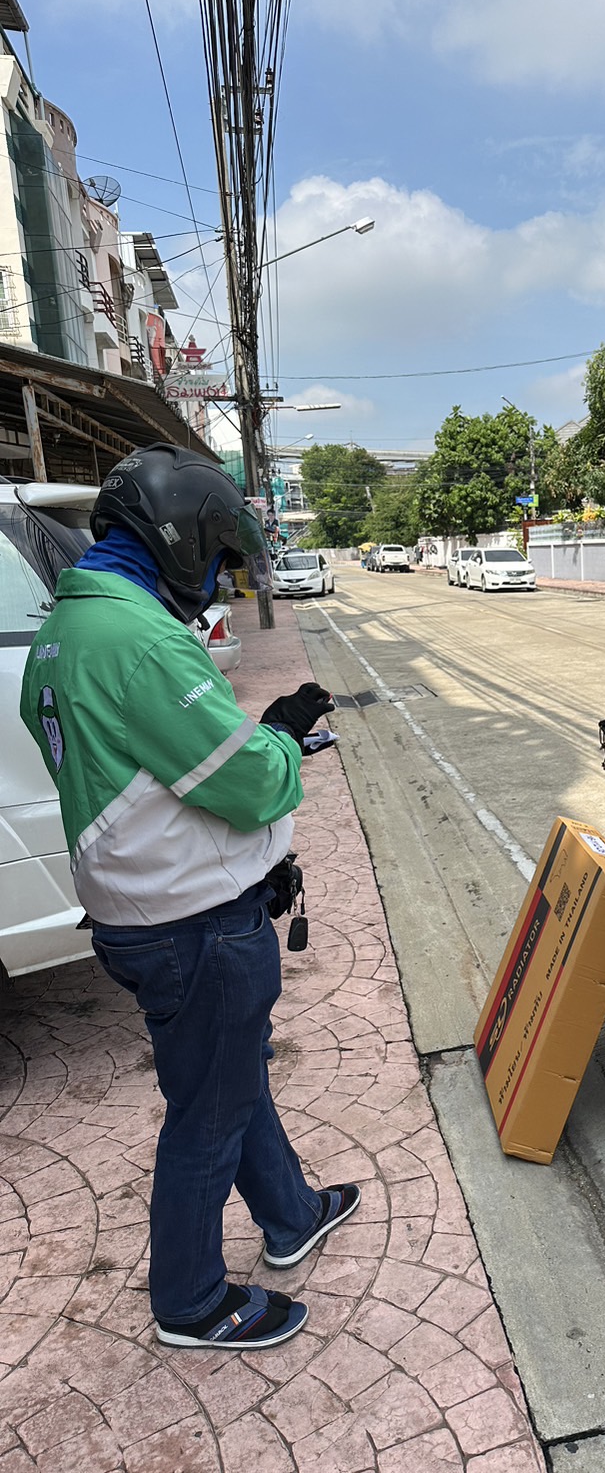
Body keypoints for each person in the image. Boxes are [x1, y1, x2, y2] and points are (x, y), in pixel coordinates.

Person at [20, 443, 360, 1350]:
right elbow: (250, 784)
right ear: (180, 542)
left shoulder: (64, 630)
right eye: (216, 558)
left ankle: (291, 1214)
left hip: (145, 908)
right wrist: (280, 735)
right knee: (208, 1112)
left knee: (228, 1078)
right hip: (191, 925)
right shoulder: (136, 640)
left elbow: (153, 770)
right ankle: (191, 1299)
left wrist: (250, 746)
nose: (215, 580)